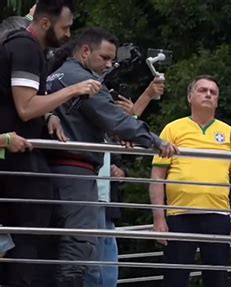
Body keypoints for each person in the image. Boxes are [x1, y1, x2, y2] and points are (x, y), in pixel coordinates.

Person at [46, 27, 177, 286]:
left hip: (51, 170)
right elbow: (115, 118)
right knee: (78, 246)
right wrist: (155, 142)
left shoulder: (53, 74)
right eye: (104, 58)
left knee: (53, 247)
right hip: (74, 172)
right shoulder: (83, 81)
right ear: (85, 51)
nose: (110, 65)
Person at [0, 0, 102, 285]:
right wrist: (73, 89)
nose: (69, 34)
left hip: (17, 157)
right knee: (31, 238)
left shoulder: (25, 48)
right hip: (15, 159)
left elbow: (25, 102)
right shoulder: (25, 48)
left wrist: (48, 114)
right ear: (45, 23)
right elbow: (25, 107)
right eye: (65, 27)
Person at [149, 75, 231, 287]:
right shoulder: (172, 129)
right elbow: (157, 176)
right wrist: (159, 218)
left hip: (218, 215)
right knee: (175, 279)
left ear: (218, 101)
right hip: (178, 215)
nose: (208, 94)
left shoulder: (230, 134)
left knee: (217, 280)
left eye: (213, 92)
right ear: (190, 96)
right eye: (203, 90)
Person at [85, 80, 166, 287]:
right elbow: (123, 125)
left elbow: (125, 134)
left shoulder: (109, 135)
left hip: (107, 201)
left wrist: (122, 171)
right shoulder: (86, 126)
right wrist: (146, 96)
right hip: (85, 197)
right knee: (90, 262)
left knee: (108, 263)